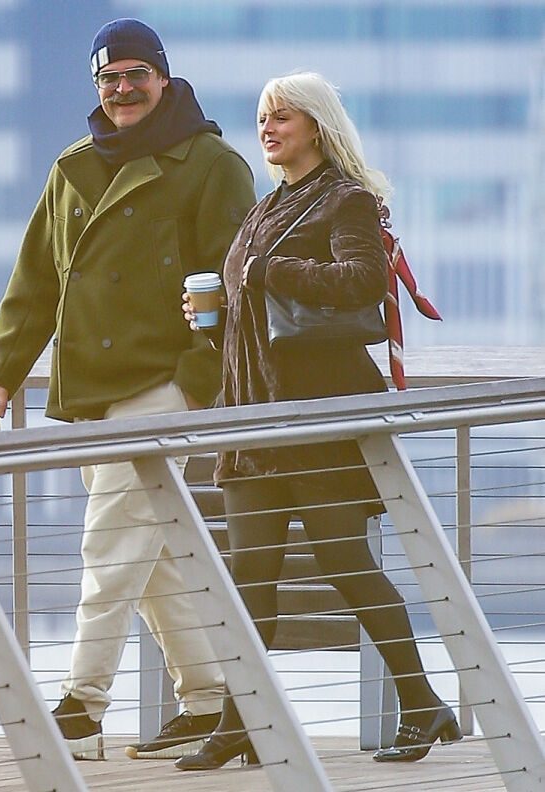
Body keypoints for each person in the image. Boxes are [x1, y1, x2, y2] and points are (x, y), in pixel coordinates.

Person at [0, 18, 255, 761]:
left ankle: (82, 707)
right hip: (93, 388)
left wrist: (195, 381)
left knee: (111, 543)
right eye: (108, 78)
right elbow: (34, 287)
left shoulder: (212, 162)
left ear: (163, 76)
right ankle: (215, 701)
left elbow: (236, 283)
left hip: (166, 384)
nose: (122, 90)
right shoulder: (72, 167)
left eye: (135, 75)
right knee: (147, 557)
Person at [177, 72, 462, 770]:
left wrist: (275, 271)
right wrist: (211, 323)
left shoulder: (346, 200)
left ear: (317, 125)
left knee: (345, 563)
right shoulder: (267, 206)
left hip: (315, 418)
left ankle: (423, 705)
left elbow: (362, 282)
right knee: (249, 576)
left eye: (284, 117)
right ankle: (242, 721)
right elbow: (264, 315)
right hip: (250, 421)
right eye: (263, 117)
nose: (269, 127)